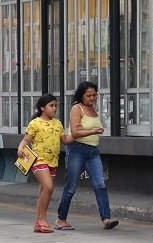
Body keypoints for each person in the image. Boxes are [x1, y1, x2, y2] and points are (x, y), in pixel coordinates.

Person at [55, 82, 118, 231]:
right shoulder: (77, 108)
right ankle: (61, 219)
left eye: (94, 95)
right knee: (71, 187)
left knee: (100, 185)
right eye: (88, 95)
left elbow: (82, 129)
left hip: (93, 152)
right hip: (77, 150)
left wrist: (90, 131)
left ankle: (106, 219)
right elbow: (75, 134)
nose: (92, 98)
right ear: (81, 96)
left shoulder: (93, 109)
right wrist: (93, 131)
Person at [17, 93, 70, 234]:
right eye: (51, 106)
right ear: (42, 108)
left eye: (55, 106)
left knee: (44, 191)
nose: (54, 108)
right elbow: (26, 140)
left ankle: (38, 222)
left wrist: (81, 133)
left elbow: (64, 140)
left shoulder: (58, 123)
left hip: (53, 161)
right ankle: (42, 219)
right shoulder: (35, 123)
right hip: (38, 160)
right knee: (48, 187)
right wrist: (20, 147)